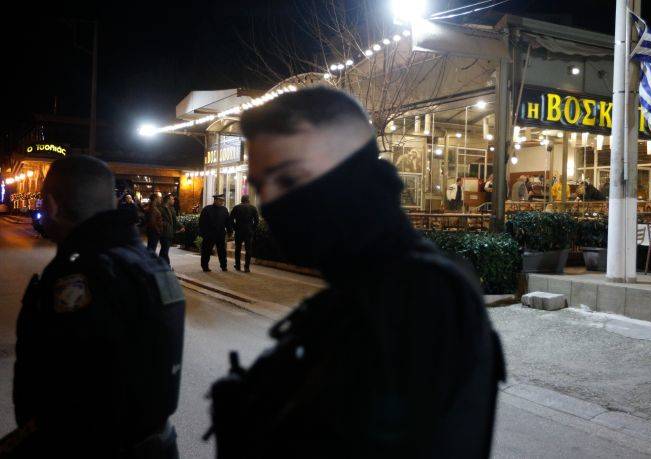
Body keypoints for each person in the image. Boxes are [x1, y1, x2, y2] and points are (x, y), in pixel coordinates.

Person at [207, 86, 505, 458]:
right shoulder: (362, 289)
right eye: (259, 186)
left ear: (354, 174)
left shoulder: (418, 298)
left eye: (289, 180)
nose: (270, 202)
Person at [12, 156, 184, 458]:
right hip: (159, 445)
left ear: (51, 205)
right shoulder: (151, 264)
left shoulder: (83, 274)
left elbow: (58, 391)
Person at [198, 194, 231, 272]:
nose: (222, 202)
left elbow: (227, 222)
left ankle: (224, 266)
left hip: (220, 234)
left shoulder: (224, 210)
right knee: (206, 251)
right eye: (220, 200)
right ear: (215, 200)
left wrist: (230, 231)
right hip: (209, 234)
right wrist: (202, 233)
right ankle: (205, 266)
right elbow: (202, 222)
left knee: (222, 251)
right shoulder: (207, 209)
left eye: (222, 201)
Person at [229, 195, 259, 272]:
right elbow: (256, 221)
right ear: (248, 200)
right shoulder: (253, 208)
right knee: (248, 250)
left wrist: (235, 228)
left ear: (241, 200)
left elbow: (231, 219)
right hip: (248, 232)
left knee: (237, 249)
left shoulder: (236, 207)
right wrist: (252, 229)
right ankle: (247, 267)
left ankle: (238, 266)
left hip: (239, 231)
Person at [160, 194, 183, 266]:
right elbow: (159, 220)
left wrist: (181, 226)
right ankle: (167, 265)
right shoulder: (161, 209)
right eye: (172, 199)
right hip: (164, 232)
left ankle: (161, 265)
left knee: (164, 250)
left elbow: (175, 220)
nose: (174, 201)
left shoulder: (172, 209)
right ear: (168, 200)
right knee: (165, 250)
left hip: (170, 232)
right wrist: (165, 224)